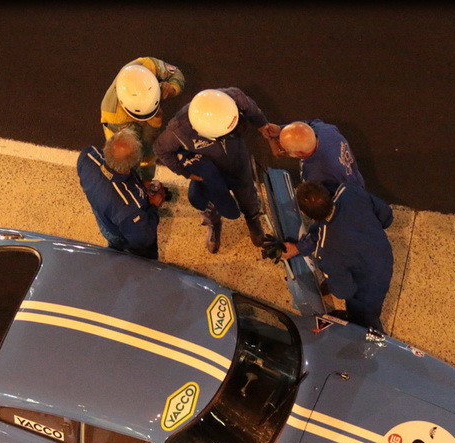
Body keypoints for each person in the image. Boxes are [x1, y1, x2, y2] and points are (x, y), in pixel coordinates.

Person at [153, 87, 278, 253]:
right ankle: (213, 223)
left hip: (238, 160)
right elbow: (161, 150)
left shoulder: (233, 98)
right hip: (210, 173)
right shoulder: (178, 131)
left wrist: (263, 125)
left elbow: (251, 108)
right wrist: (185, 172)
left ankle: (252, 217)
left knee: (247, 191)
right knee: (208, 201)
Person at [274, 181, 393, 332]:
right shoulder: (350, 191)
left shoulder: (327, 253)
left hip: (370, 283)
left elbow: (344, 291)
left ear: (304, 213)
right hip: (384, 255)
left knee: (365, 319)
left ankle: (373, 335)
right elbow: (386, 217)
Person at [76, 128, 166, 260]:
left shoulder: (88, 156)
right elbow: (144, 239)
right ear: (134, 162)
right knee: (142, 259)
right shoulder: (129, 207)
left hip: (105, 220)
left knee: (114, 250)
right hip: (123, 232)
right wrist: (154, 206)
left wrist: (140, 185)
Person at [101, 58, 186, 182]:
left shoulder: (148, 65)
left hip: (129, 121)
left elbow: (176, 73)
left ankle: (146, 180)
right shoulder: (115, 116)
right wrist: (154, 122)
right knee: (129, 162)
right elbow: (139, 149)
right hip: (121, 126)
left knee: (149, 151)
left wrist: (172, 89)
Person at [269, 119, 364, 193]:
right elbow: (307, 125)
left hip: (348, 197)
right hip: (354, 177)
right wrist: (280, 129)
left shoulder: (316, 175)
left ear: (300, 153)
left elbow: (321, 203)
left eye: (284, 148)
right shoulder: (324, 129)